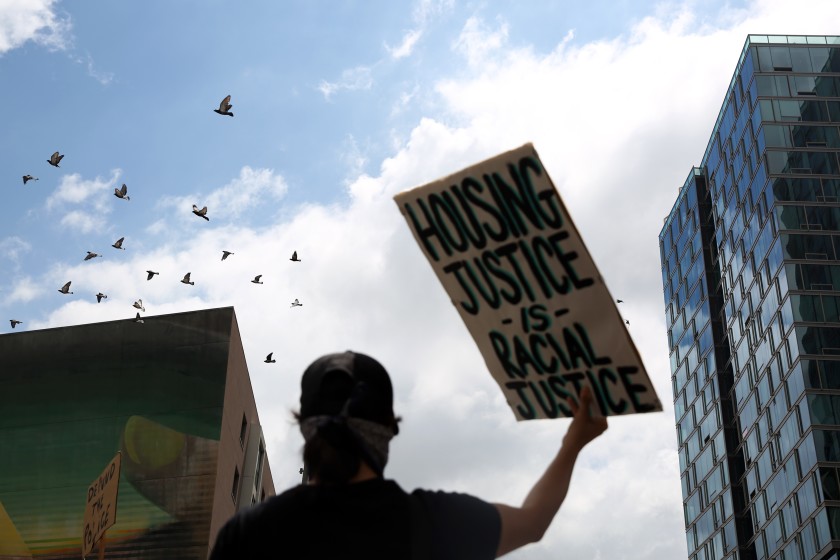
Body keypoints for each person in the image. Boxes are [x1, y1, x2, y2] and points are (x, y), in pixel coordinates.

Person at [209, 350, 607, 559]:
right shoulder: (436, 523)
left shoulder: (246, 534)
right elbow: (533, 522)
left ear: (303, 424)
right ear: (388, 429)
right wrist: (574, 442)